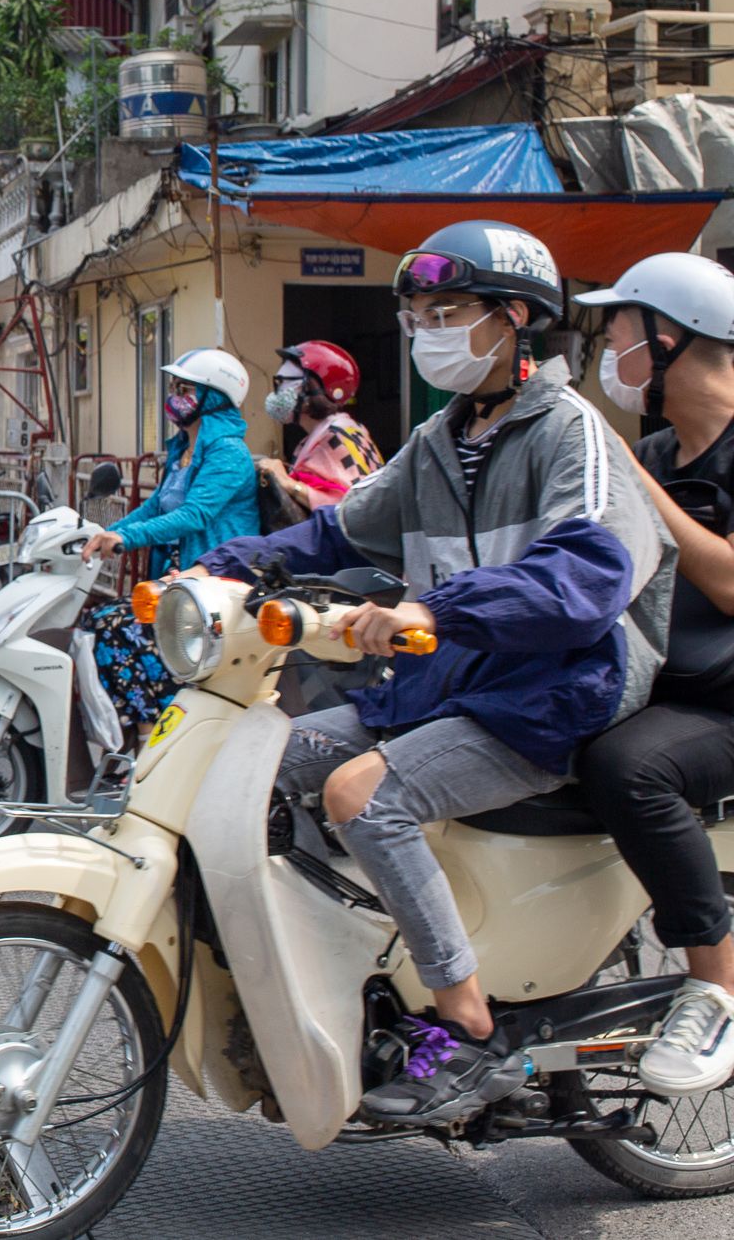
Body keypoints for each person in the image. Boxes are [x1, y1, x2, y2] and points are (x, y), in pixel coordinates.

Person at [187, 221, 673, 1125]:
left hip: (551, 696)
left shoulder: (577, 438)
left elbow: (587, 578)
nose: (426, 331)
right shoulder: (443, 439)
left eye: (445, 311)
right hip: (451, 682)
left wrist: (433, 611)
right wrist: (226, 566)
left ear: (516, 318)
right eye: (416, 314)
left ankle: (466, 1022)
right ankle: (370, 970)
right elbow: (334, 530)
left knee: (364, 795)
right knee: (263, 768)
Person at [574, 251, 734, 1096]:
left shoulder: (664, 460)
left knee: (627, 768)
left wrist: (640, 484)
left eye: (618, 329)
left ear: (665, 342)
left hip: (724, 709)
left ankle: (716, 984)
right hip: (662, 688)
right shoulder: (660, 446)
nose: (609, 347)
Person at [78, 348, 259, 736]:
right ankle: (143, 736)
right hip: (182, 582)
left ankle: (156, 735)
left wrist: (126, 538)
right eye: (174, 386)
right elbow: (156, 506)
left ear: (214, 398)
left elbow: (195, 514)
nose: (175, 396)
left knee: (120, 628)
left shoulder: (228, 453)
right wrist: (103, 533)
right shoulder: (182, 451)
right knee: (95, 623)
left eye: (186, 389)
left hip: (216, 583)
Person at [256, 340, 384, 518]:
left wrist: (285, 482)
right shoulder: (327, 436)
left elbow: (349, 508)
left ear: (315, 389)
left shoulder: (337, 439)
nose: (277, 393)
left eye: (286, 383)